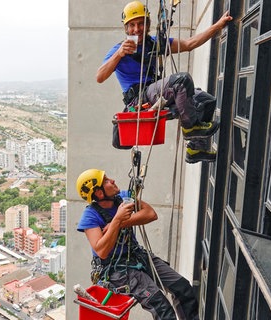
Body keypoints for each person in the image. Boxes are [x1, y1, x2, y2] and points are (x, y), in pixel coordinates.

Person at [96, 1, 232, 163]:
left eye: (141, 24)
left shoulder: (155, 44)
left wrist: (218, 25)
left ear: (148, 24)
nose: (136, 29)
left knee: (206, 101)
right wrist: (119, 54)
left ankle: (195, 148)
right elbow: (100, 77)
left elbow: (189, 44)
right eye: (131, 25)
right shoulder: (120, 50)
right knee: (181, 80)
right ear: (126, 28)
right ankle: (191, 128)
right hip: (140, 98)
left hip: (158, 94)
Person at [76, 168, 200, 320]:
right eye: (107, 181)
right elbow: (101, 250)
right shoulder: (90, 216)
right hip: (117, 271)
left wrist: (121, 222)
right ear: (99, 193)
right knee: (163, 311)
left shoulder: (122, 198)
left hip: (137, 256)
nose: (113, 181)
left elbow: (150, 214)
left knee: (183, 289)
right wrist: (117, 220)